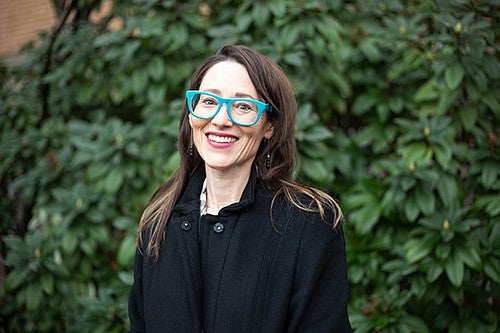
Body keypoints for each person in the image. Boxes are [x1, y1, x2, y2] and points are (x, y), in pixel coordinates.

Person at [128, 44, 352, 332]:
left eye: (243, 106)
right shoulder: (158, 223)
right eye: (208, 101)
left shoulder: (309, 224)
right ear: (192, 113)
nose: (221, 120)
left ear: (268, 125)